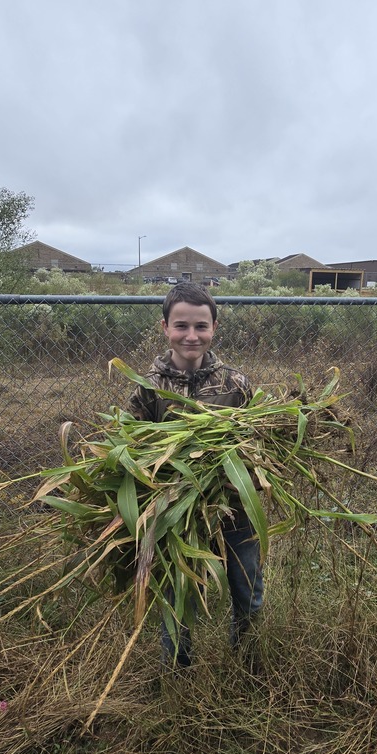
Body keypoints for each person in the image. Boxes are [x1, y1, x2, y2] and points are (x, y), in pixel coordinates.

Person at [127, 282, 264, 668]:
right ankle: (177, 674)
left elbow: (257, 443)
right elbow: (132, 448)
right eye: (181, 326)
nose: (191, 335)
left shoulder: (236, 384)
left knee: (247, 589)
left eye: (201, 326)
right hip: (175, 515)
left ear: (214, 328)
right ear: (165, 327)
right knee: (176, 594)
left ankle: (249, 664)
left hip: (235, 508)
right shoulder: (148, 388)